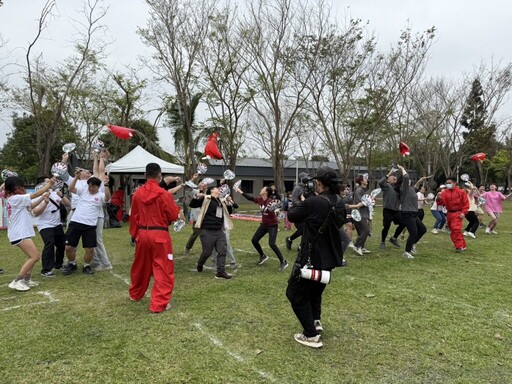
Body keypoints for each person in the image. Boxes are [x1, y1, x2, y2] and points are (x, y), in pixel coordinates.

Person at [286, 166, 345, 348]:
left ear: (319, 183)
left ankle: (310, 335)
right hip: (329, 257)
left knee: (294, 293)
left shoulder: (315, 202)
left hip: (311, 257)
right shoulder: (339, 202)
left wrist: (305, 201)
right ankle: (315, 321)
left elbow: (293, 214)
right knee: (315, 291)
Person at [129, 163, 181, 313]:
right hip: (159, 234)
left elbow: (134, 216)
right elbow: (172, 215)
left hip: (143, 234)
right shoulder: (164, 194)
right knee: (163, 268)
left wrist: (136, 234)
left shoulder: (138, 194)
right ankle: (159, 303)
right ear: (159, 176)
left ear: (146, 175)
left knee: (141, 266)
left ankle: (135, 294)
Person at [5, 175, 56, 291]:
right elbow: (35, 194)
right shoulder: (15, 198)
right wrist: (49, 185)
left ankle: (26, 279)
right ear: (13, 187)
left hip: (21, 232)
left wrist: (43, 198)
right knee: (35, 256)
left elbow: (31, 206)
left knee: (32, 256)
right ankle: (17, 280)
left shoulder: (16, 199)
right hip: (19, 233)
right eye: (19, 186)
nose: (21, 188)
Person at [62, 170, 111, 275]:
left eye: (94, 187)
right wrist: (76, 177)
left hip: (90, 225)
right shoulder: (83, 191)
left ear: (98, 187)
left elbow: (108, 198)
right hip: (76, 222)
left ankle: (86, 266)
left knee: (89, 249)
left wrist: (106, 185)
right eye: (90, 186)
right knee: (68, 247)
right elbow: (70, 188)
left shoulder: (101, 195)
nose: (91, 189)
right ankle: (72, 264)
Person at [234, 185, 288, 270]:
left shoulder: (271, 201)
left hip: (272, 226)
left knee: (272, 244)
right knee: (254, 240)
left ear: (266, 192)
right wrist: (239, 191)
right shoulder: (260, 199)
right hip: (264, 225)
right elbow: (250, 198)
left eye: (263, 188)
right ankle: (262, 256)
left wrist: (277, 211)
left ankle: (283, 262)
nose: (261, 189)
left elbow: (277, 210)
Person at [190, 186, 233, 279]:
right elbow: (192, 205)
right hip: (207, 230)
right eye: (217, 188)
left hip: (219, 230)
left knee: (222, 250)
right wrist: (197, 196)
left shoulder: (221, 201)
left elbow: (229, 212)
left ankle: (220, 272)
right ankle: (200, 263)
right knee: (207, 252)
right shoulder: (206, 199)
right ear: (212, 190)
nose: (219, 189)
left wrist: (229, 202)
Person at [32, 177, 70, 277]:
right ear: (41, 184)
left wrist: (60, 193)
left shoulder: (54, 192)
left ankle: (58, 264)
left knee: (62, 244)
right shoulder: (37, 195)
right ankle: (46, 269)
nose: (51, 182)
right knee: (50, 243)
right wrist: (45, 201)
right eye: (48, 181)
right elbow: (35, 213)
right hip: (44, 225)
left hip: (57, 224)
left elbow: (67, 204)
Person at [395, 166, 427, 259]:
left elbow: (416, 186)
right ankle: (406, 252)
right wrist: (402, 169)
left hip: (414, 214)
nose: (409, 181)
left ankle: (412, 244)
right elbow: (406, 177)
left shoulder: (411, 189)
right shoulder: (403, 189)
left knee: (423, 229)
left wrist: (420, 180)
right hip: (407, 214)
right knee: (414, 232)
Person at [439, 177, 469, 252]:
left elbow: (466, 204)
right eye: (447, 183)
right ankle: (463, 245)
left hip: (458, 213)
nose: (448, 184)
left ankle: (459, 246)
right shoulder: (444, 193)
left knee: (456, 228)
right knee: (453, 230)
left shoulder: (461, 192)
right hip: (449, 213)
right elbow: (440, 203)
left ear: (454, 183)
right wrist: (438, 198)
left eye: (449, 183)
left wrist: (463, 212)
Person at [184, 180, 208, 255]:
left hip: (206, 218)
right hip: (197, 217)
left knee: (206, 235)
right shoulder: (195, 191)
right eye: (202, 183)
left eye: (205, 183)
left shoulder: (208, 193)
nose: (203, 184)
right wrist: (192, 179)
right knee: (196, 234)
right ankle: (187, 247)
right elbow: (187, 186)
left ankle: (206, 249)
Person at [378, 171, 401, 250]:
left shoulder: (398, 188)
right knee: (386, 227)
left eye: (395, 176)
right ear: (388, 180)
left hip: (396, 211)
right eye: (392, 176)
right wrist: (388, 174)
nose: (394, 177)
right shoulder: (386, 186)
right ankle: (382, 242)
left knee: (404, 223)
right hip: (388, 210)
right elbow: (380, 182)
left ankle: (394, 238)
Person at [286, 172, 308, 251]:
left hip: (305, 212)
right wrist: (303, 203)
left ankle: (299, 245)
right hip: (297, 212)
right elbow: (294, 201)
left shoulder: (307, 188)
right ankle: (290, 239)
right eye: (306, 178)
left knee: (306, 229)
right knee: (303, 229)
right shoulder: (297, 188)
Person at [351, 174, 370, 255]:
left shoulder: (363, 189)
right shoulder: (359, 190)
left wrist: (370, 199)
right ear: (361, 181)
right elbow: (361, 202)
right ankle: (357, 245)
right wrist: (370, 200)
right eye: (365, 178)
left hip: (362, 214)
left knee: (361, 232)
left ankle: (361, 247)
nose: (366, 179)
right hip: (358, 214)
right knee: (366, 230)